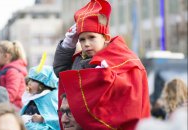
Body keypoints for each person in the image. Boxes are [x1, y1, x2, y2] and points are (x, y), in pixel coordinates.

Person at [53, 0, 150, 130]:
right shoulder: (79, 60)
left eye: (91, 37)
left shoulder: (124, 59)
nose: (86, 44)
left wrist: (109, 78)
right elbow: (61, 73)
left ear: (105, 38)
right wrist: (66, 46)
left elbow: (130, 99)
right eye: (82, 39)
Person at [20, 65, 60, 130]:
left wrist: (43, 119)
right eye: (29, 80)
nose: (29, 83)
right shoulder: (32, 97)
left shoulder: (51, 97)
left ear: (41, 84)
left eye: (33, 80)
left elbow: (58, 121)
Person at [0, 40, 27, 109]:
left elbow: (11, 93)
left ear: (6, 56)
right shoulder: (1, 71)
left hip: (15, 107)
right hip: (5, 104)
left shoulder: (13, 71)